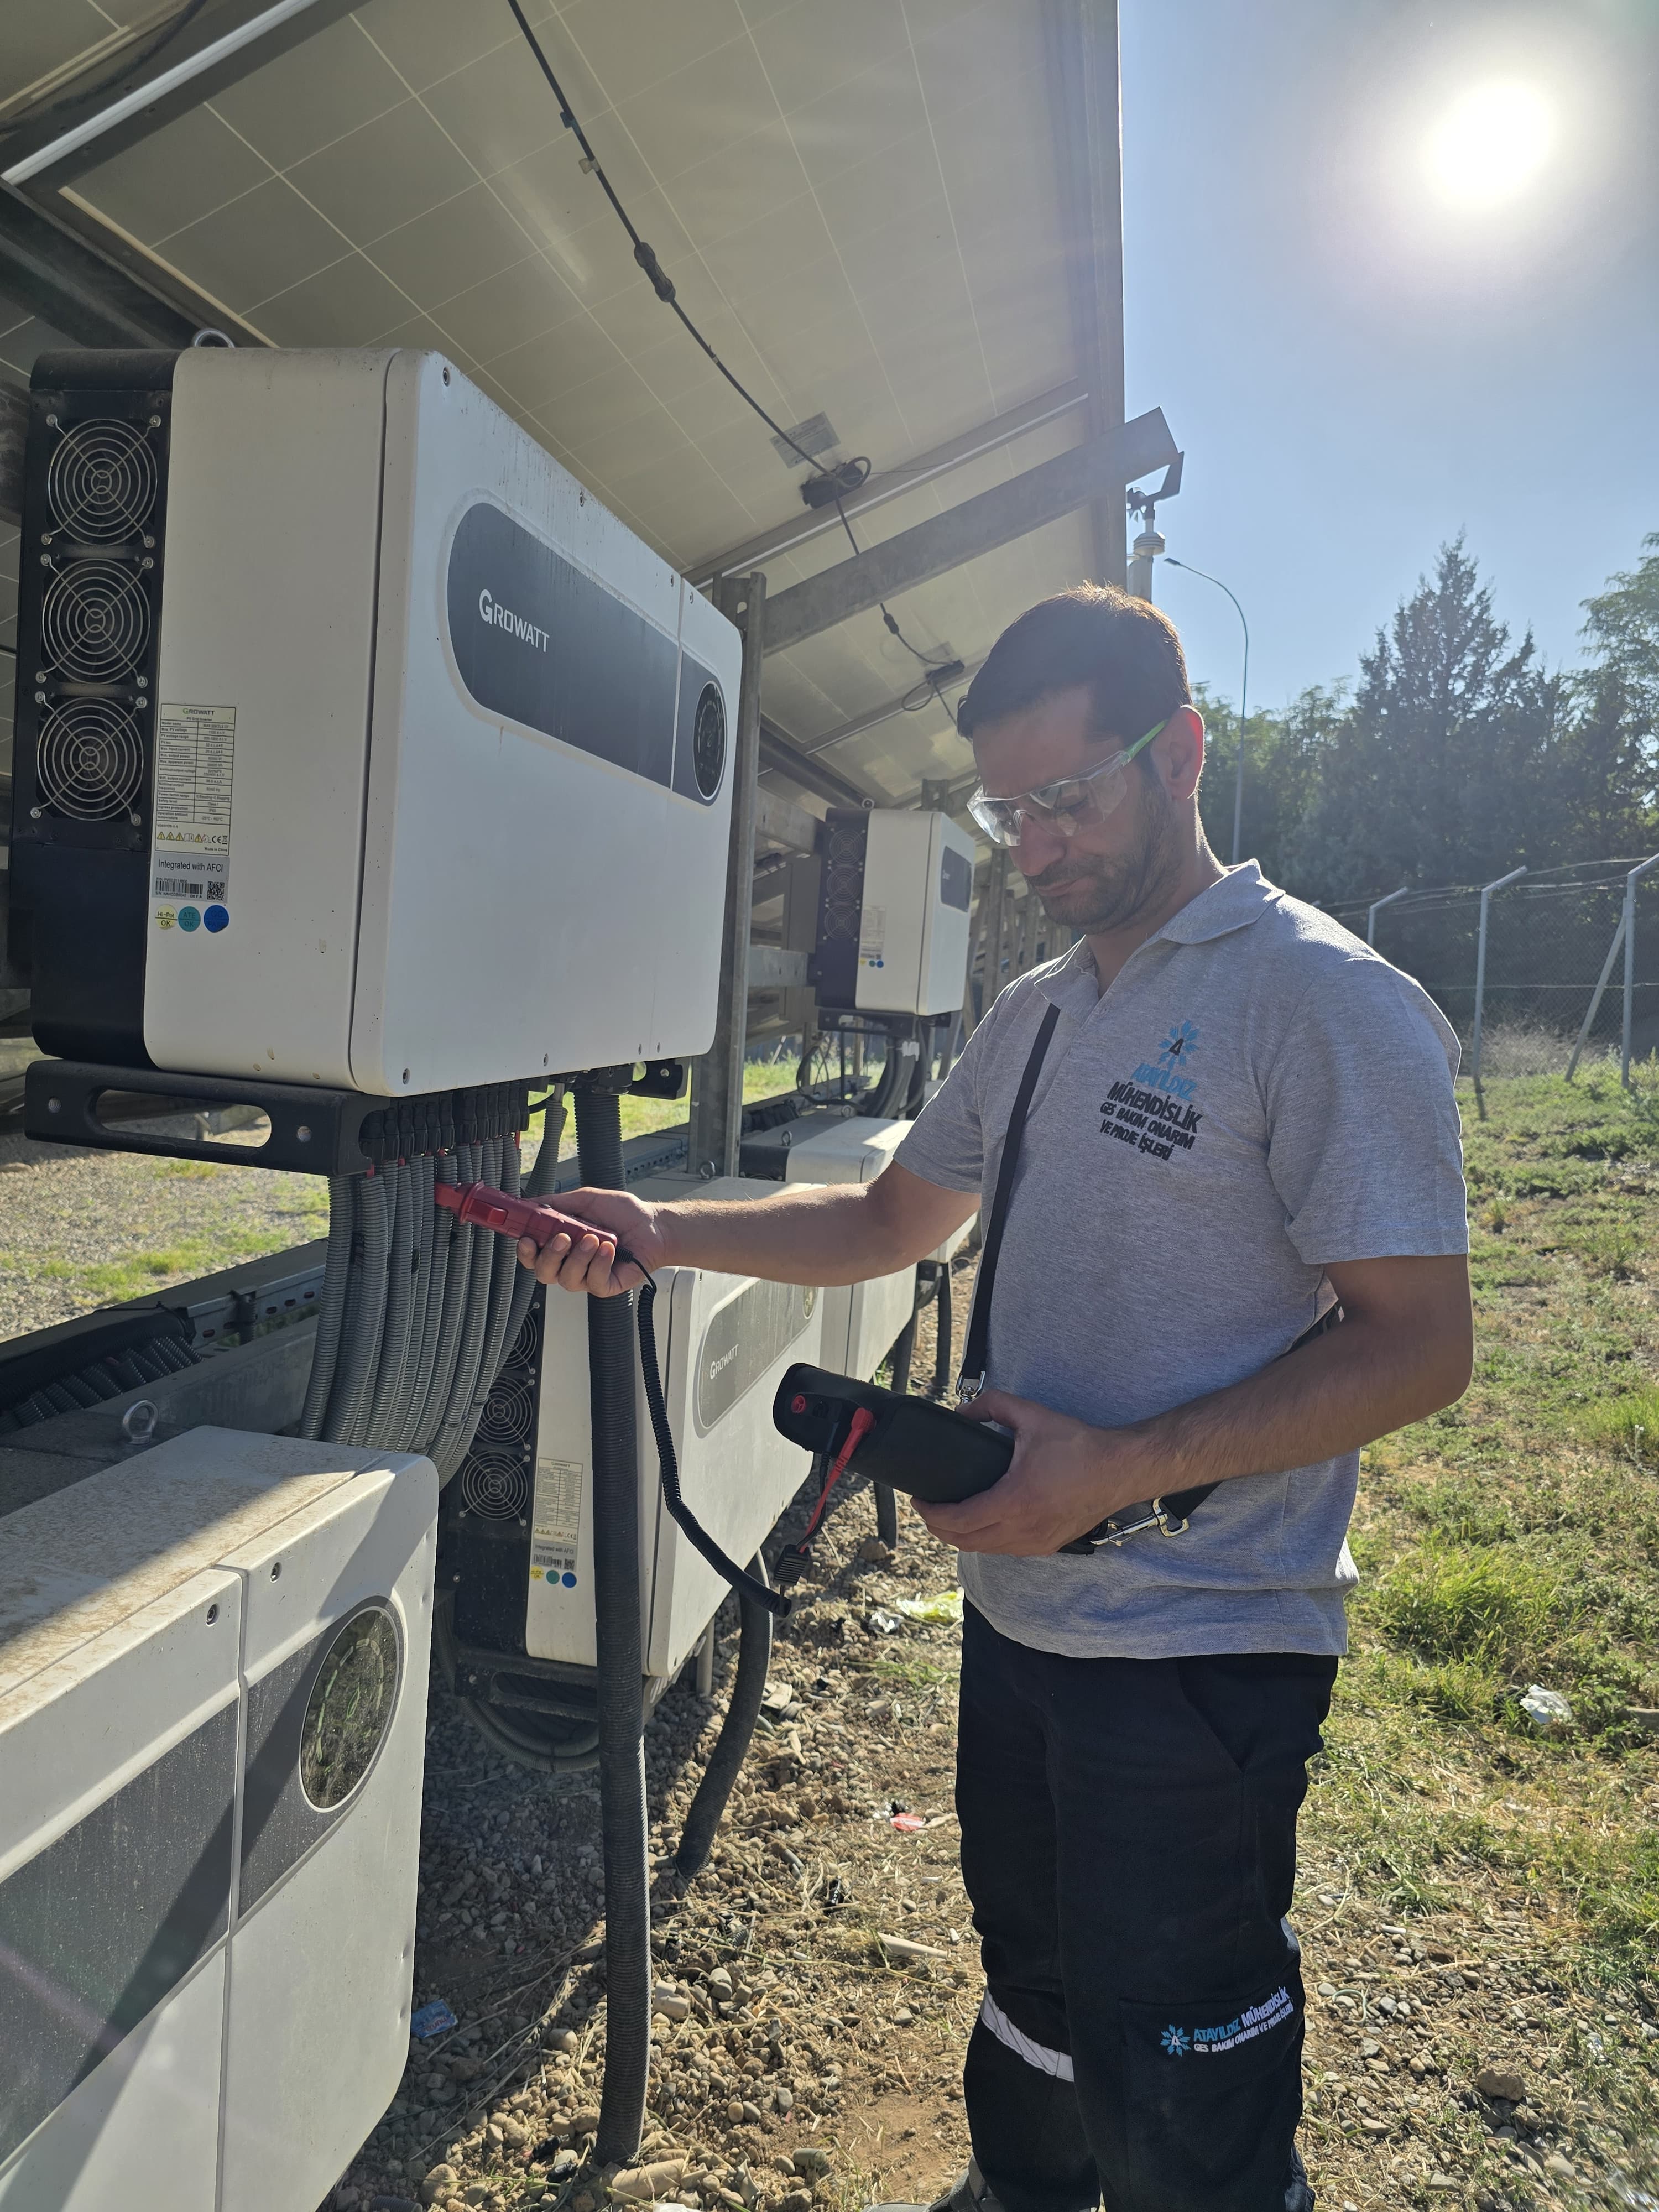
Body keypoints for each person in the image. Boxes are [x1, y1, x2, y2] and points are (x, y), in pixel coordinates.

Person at [519, 585, 1472, 2212]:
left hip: (1199, 1644)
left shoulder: (1323, 1000)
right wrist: (659, 1231)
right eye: (1007, 813)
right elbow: (887, 1220)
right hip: (1022, 1614)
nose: (1035, 848)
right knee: (1034, 1983)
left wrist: (1117, 1468)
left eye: (1069, 798)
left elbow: (1420, 1346)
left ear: (1180, 754)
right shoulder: (1039, 1014)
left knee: (1183, 2052)